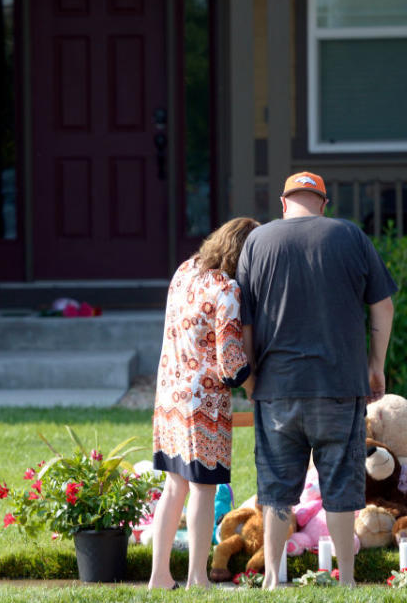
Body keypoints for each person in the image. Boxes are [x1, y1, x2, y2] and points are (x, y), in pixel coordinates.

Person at [236, 172, 396, 589]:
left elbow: (245, 323)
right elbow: (383, 306)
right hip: (339, 387)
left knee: (276, 488)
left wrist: (251, 379)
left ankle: (273, 578)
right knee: (341, 484)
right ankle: (346, 581)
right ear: (323, 203)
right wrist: (375, 364)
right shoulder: (350, 236)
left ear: (283, 203)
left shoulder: (259, 241)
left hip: (277, 388)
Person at [148, 217, 259, 590]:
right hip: (205, 405)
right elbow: (230, 361)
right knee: (203, 489)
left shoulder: (184, 271)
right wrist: (254, 381)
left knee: (173, 487)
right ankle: (198, 577)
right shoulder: (227, 288)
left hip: (169, 395)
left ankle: (159, 576)